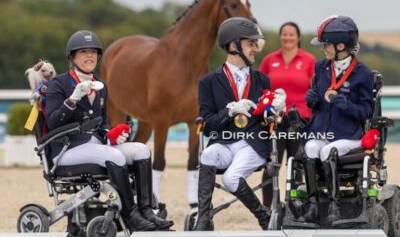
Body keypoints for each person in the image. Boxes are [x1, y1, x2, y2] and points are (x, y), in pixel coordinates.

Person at [45, 30, 173, 232]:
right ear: (72, 57)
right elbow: (52, 123)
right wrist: (73, 99)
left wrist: (111, 134)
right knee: (114, 155)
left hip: (95, 145)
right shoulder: (59, 85)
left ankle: (146, 210)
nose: (90, 56)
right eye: (83, 52)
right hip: (67, 149)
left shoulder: (101, 86)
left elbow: (102, 123)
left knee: (141, 150)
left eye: (93, 52)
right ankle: (130, 215)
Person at [194, 17, 286, 231]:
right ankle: (203, 218)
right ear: (234, 46)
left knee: (231, 178)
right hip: (224, 143)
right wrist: (229, 111)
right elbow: (207, 126)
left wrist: (277, 109)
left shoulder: (262, 80)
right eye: (251, 43)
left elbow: (269, 119)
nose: (256, 48)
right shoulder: (208, 82)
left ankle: (262, 215)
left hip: (253, 144)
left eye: (255, 44)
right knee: (207, 155)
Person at [297, 15, 374, 225]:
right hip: (324, 131)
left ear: (341, 46)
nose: (323, 49)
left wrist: (346, 105)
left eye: (326, 45)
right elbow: (319, 100)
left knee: (325, 151)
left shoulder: (363, 74)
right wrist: (313, 101)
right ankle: (313, 206)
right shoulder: (320, 68)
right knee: (311, 147)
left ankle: (334, 206)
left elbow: (366, 111)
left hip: (348, 134)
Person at [259, 22, 316, 207]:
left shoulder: (308, 60)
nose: (288, 37)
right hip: (274, 119)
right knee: (271, 165)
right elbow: (260, 87)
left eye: (291, 34)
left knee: (296, 165)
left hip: (300, 119)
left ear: (298, 37)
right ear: (280, 36)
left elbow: (315, 89)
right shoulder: (269, 59)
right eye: (284, 34)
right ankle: (268, 209)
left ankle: (296, 206)